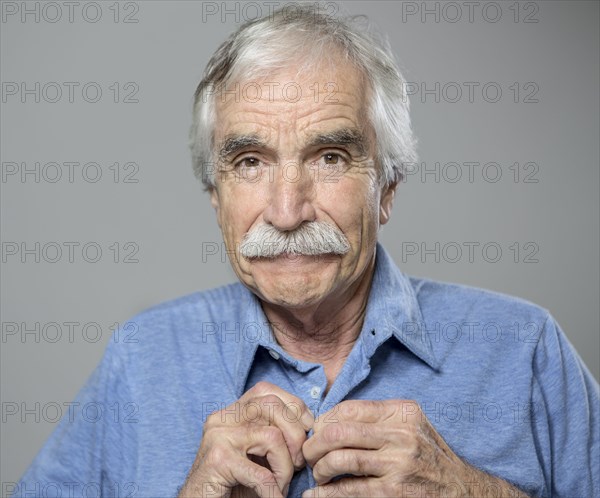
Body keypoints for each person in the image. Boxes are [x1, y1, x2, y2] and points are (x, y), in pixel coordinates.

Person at [13, 6, 598, 498]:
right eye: (250, 163)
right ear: (215, 197)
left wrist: (474, 491)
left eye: (330, 158)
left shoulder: (524, 350)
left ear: (387, 187)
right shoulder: (140, 359)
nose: (288, 211)